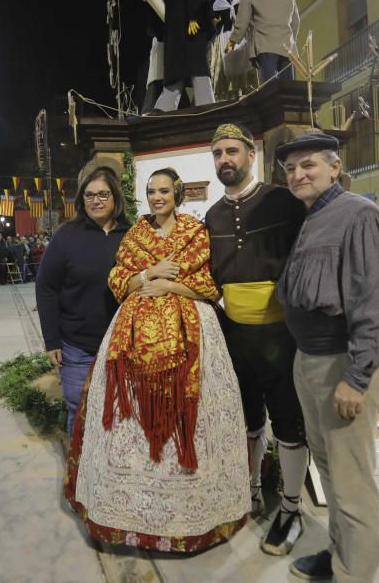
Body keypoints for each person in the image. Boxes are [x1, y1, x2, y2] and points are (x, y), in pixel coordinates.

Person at [65, 167, 250, 553]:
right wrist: (148, 272)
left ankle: (191, 519)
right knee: (127, 422)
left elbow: (207, 284)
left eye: (164, 191)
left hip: (191, 337)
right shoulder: (136, 234)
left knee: (194, 418)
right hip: (131, 338)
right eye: (151, 191)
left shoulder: (195, 233)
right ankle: (132, 516)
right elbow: (119, 278)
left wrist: (166, 284)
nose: (156, 197)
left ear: (177, 193)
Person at [274, 131, 379, 583]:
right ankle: (339, 555)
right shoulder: (314, 217)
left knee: (351, 482)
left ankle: (354, 574)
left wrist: (358, 375)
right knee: (329, 472)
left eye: (308, 165)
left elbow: (378, 303)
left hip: (341, 365)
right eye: (290, 169)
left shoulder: (359, 215)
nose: (297, 174)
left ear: (334, 168)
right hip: (310, 361)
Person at [205, 123, 309, 556]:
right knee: (247, 418)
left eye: (232, 151)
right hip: (235, 336)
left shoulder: (283, 201)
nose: (224, 160)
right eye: (217, 154)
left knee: (288, 420)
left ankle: (291, 508)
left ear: (251, 153)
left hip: (282, 334)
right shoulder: (210, 217)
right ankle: (248, 490)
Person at [36, 166, 131, 435]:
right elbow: (46, 287)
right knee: (79, 412)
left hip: (121, 345)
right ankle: (77, 476)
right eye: (89, 195)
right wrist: (52, 340)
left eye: (103, 194)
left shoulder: (131, 236)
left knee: (119, 413)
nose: (96, 200)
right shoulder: (66, 236)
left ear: (115, 198)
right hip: (77, 347)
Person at [150, 0, 216, 112]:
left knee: (198, 73)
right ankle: (163, 110)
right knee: (174, 76)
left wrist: (194, 18)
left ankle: (207, 109)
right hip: (177, 38)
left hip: (192, 33)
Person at [226, 0, 300, 84]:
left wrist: (233, 41)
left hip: (265, 47)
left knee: (270, 89)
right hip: (288, 50)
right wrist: (290, 41)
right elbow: (295, 25)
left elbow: (241, 23)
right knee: (289, 90)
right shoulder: (290, 0)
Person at [210, 0, 253, 100]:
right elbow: (214, 23)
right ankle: (231, 99)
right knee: (228, 71)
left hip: (242, 36)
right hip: (225, 38)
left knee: (245, 68)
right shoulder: (218, 3)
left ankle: (247, 95)